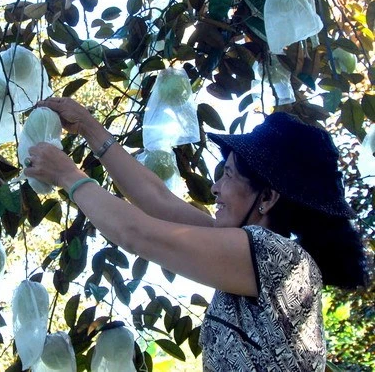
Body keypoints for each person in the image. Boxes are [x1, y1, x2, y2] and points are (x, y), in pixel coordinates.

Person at [23, 97, 368, 372]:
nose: (215, 188)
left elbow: (137, 234)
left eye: (228, 175)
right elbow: (155, 199)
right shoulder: (251, 252)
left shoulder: (274, 255)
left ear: (266, 198)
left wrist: (68, 176)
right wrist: (87, 126)